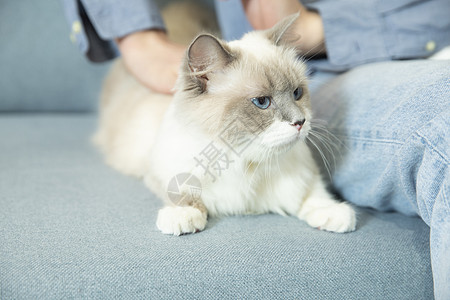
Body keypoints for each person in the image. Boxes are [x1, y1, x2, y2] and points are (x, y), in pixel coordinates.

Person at [62, 0, 450, 298]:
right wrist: (138, 39)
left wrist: (315, 28)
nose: (298, 118)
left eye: (299, 95)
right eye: (263, 103)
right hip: (268, 51)